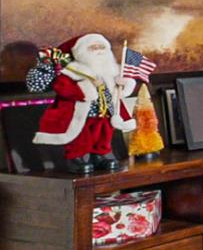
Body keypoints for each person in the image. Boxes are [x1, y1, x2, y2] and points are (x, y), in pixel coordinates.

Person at [29, 33, 138, 173]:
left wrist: (124, 84)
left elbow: (118, 93)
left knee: (103, 135)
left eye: (102, 47)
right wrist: (86, 89)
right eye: (94, 48)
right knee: (80, 136)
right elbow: (62, 87)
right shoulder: (72, 71)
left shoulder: (111, 70)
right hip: (80, 112)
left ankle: (99, 156)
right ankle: (76, 158)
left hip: (104, 112)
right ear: (81, 51)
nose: (99, 51)